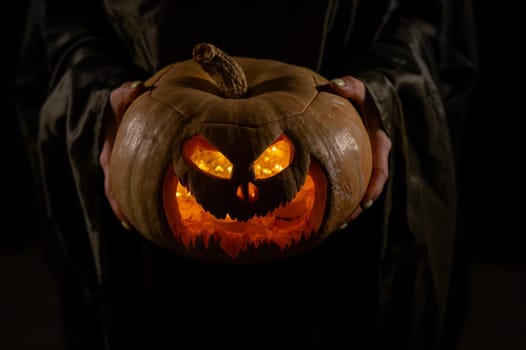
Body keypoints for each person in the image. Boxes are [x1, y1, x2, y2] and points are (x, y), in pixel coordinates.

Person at [14, 1, 478, 349]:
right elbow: (61, 21)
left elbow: (431, 18)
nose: (245, 192)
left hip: (345, 241)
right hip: (150, 229)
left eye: (270, 162)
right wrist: (104, 108)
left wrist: (386, 96)